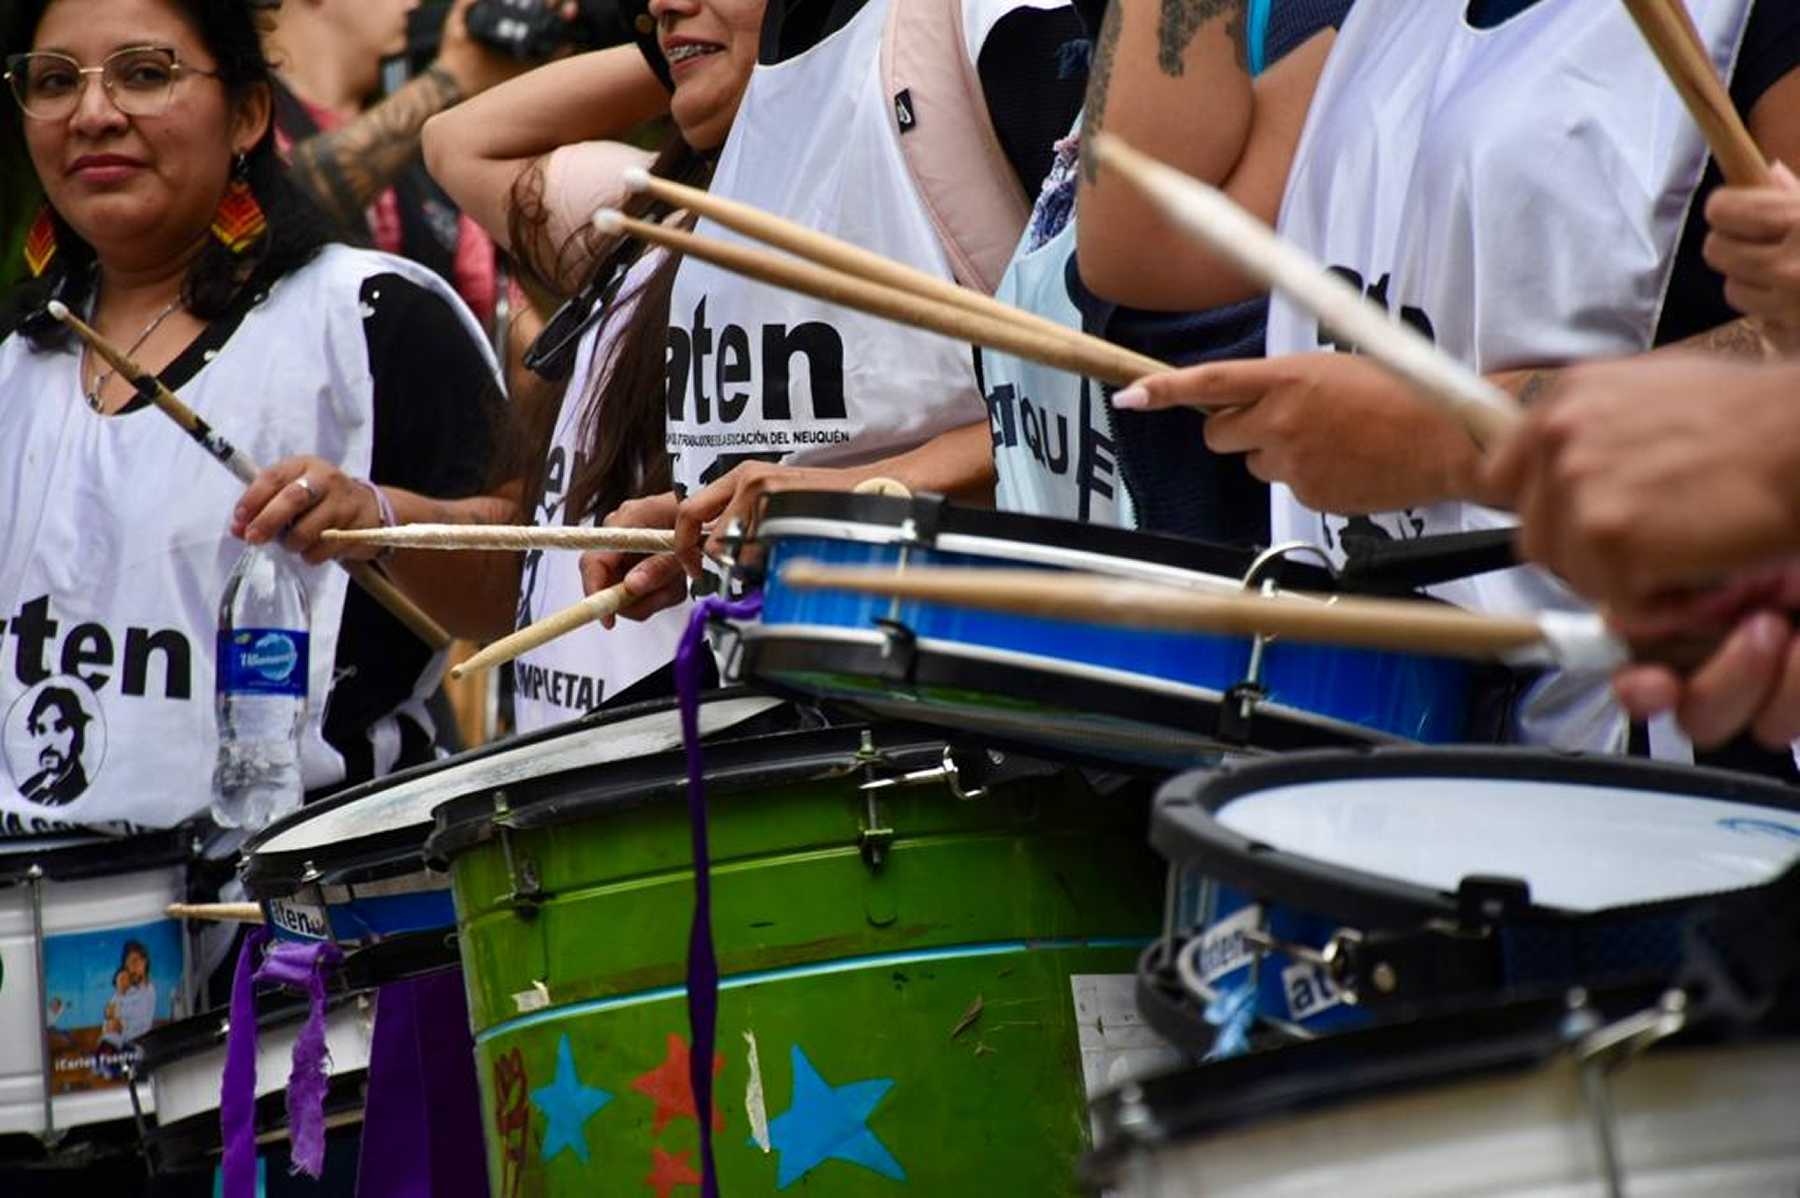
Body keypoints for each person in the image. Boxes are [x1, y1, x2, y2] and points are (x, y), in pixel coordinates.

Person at [1080, 0, 1800, 770]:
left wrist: (1456, 435)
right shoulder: (1391, 14)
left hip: (1660, 741)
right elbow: (1143, 240)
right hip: (1381, 720)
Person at [0, 0, 515, 836]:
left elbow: (527, 574)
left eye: (143, 73)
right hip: (41, 925)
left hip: (313, 924)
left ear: (246, 114)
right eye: (56, 82)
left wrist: (382, 520)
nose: (93, 114)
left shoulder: (371, 318)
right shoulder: (16, 370)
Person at [578, 0, 1092, 623]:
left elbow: (1139, 391)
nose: (662, 5)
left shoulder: (998, 23)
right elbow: (841, 439)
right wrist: (704, 521)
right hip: (801, 673)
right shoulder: (761, 97)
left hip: (990, 662)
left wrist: (848, 493)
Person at [424, 25, 708, 727]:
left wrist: (759, 41)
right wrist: (684, 50)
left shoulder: (832, 214)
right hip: (565, 760)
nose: (667, 7)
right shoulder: (651, 204)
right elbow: (455, 140)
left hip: (688, 760)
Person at [262, 0, 522, 326]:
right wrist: (452, 79)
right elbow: (277, 203)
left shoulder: (426, 154)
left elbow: (520, 359)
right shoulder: (239, 110)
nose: (414, 3)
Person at [19, 685, 91, 806]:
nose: (50, 742)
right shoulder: (30, 785)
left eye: (60, 728)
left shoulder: (79, 792)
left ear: (78, 732)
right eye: (41, 729)